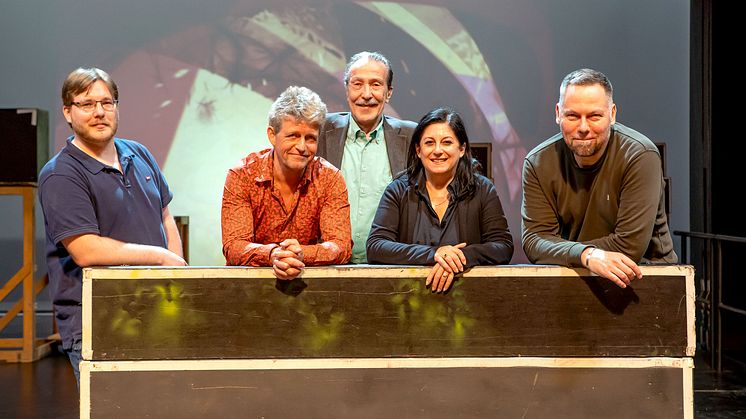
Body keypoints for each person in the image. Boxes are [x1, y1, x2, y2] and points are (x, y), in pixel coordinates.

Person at [38, 67, 187, 388]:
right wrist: (161, 258)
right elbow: (87, 250)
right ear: (68, 111)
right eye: (87, 104)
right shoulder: (61, 174)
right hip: (100, 320)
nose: (99, 112)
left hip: (156, 311)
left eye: (107, 102)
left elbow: (165, 216)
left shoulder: (140, 153)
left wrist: (177, 277)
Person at [521, 68, 677, 288]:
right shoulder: (537, 162)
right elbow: (534, 241)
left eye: (594, 116)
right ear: (558, 114)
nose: (583, 128)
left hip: (645, 280)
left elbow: (628, 246)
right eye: (572, 116)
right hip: (575, 278)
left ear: (612, 114)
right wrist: (587, 255)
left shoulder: (640, 156)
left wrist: (565, 251)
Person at [366, 107, 514, 293]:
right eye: (429, 143)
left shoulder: (482, 189)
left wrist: (458, 257)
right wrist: (434, 254)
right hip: (406, 298)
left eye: (446, 142)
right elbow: (376, 246)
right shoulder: (398, 190)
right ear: (418, 150)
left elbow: (503, 246)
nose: (437, 150)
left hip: (470, 300)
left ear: (461, 149)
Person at [221, 86, 352, 279]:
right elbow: (234, 246)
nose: (302, 147)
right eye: (293, 136)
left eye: (310, 138)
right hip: (250, 289)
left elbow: (341, 246)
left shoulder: (330, 178)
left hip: (312, 289)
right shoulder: (242, 175)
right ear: (272, 135)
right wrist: (274, 254)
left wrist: (301, 254)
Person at [316, 51, 417, 263]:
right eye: (357, 84)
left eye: (376, 84)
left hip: (390, 267)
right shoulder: (319, 131)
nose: (366, 94)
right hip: (328, 266)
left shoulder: (411, 137)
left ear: (389, 93)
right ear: (346, 90)